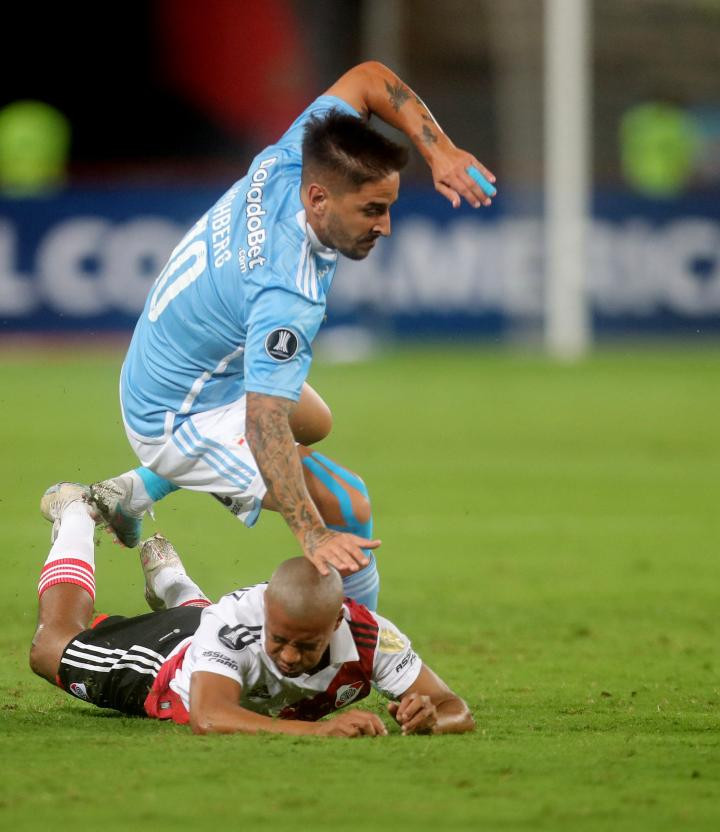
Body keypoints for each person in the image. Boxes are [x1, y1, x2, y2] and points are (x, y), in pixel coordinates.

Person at [82, 61, 496, 610]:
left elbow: (370, 78)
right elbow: (263, 421)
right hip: (176, 416)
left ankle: (129, 494)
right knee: (346, 501)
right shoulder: (286, 291)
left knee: (316, 420)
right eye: (372, 210)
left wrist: (438, 150)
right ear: (320, 200)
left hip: (166, 358)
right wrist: (313, 533)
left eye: (389, 207)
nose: (385, 226)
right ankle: (372, 655)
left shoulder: (292, 156)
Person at [29, 482, 475, 737]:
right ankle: (77, 514)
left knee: (210, 626)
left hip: (208, 636)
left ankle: (173, 582)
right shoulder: (235, 623)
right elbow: (209, 716)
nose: (288, 656)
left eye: (307, 646)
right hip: (167, 666)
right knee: (51, 646)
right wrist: (319, 733)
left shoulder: (370, 636)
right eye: (278, 640)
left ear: (336, 623)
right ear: (265, 612)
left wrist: (434, 719)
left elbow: (455, 707)